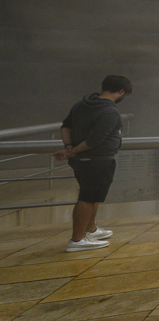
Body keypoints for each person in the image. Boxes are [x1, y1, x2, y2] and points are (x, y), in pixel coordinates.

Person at [54, 75, 132, 252]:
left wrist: (69, 148)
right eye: (124, 94)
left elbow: (65, 126)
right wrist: (71, 152)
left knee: (92, 195)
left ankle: (91, 230)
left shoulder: (82, 105)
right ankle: (77, 240)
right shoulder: (109, 112)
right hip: (98, 160)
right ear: (121, 91)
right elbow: (95, 140)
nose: (123, 98)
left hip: (82, 161)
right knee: (87, 198)